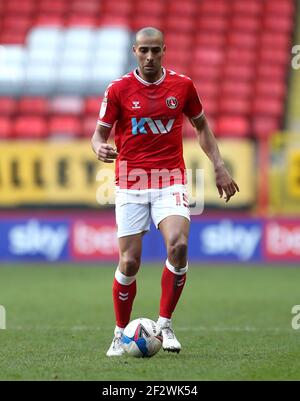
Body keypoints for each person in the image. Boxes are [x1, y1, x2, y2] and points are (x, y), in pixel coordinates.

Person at [91, 27, 239, 357]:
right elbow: (98, 135)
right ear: (134, 51)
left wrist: (219, 165)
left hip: (169, 178)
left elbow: (201, 126)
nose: (149, 56)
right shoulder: (117, 89)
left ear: (164, 51)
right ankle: (119, 332)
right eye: (144, 50)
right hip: (130, 181)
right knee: (129, 262)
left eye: (156, 50)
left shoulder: (182, 86)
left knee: (179, 245)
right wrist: (98, 147)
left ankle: (164, 324)